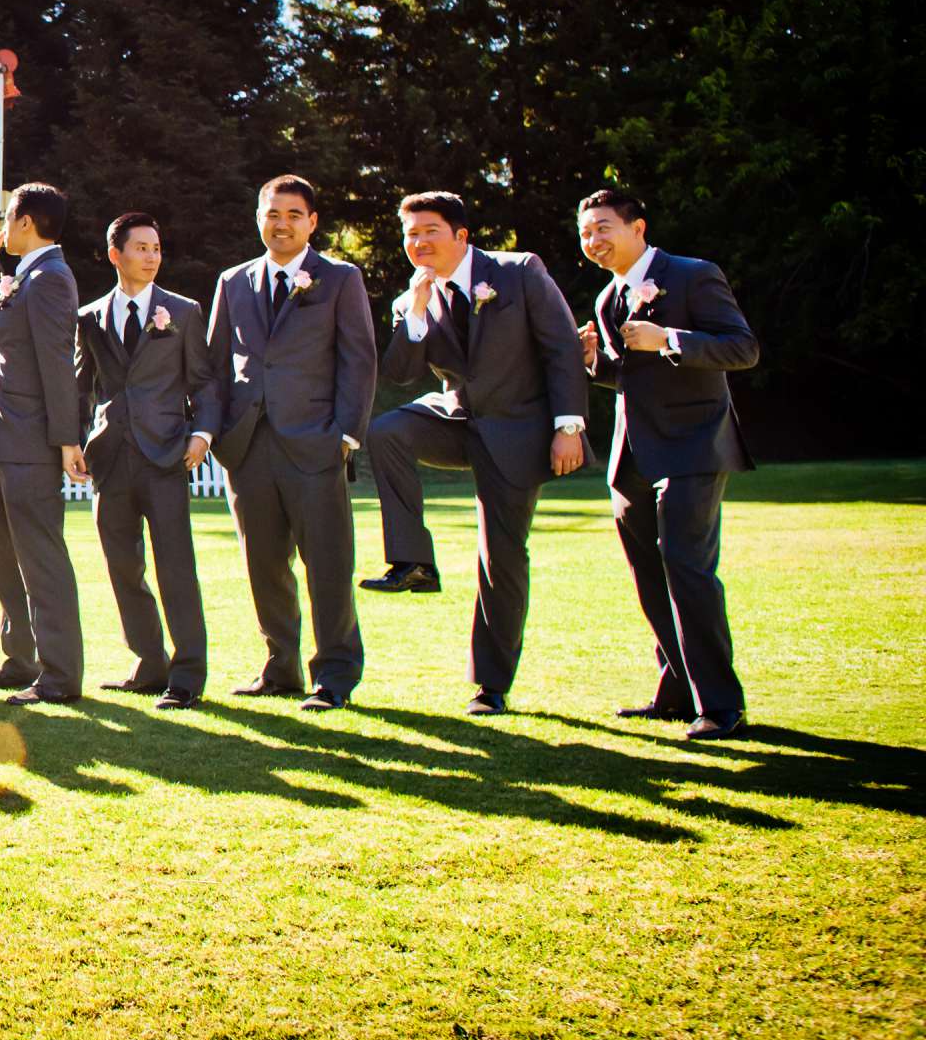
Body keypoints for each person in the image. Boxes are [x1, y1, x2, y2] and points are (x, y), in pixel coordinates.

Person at [363, 192, 587, 715]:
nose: (418, 242)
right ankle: (413, 562)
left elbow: (560, 347)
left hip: (519, 428)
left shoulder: (519, 271)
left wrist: (568, 426)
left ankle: (491, 684)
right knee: (388, 431)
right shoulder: (411, 299)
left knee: (500, 556)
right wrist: (414, 312)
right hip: (459, 420)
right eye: (410, 234)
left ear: (461, 236)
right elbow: (397, 373)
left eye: (430, 231)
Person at [577, 187, 759, 740]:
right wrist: (593, 363)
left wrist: (670, 338)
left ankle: (722, 705)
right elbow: (628, 375)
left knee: (687, 569)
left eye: (603, 227)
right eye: (586, 233)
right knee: (649, 576)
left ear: (638, 227)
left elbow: (742, 348)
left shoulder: (693, 274)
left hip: (695, 445)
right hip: (632, 457)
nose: (593, 241)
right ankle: (677, 694)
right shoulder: (608, 301)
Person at [205, 175, 377, 711]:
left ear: (312, 222)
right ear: (259, 217)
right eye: (272, 214)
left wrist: (345, 435)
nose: (282, 224)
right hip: (248, 447)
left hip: (315, 444)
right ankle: (280, 668)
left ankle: (335, 675)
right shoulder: (233, 281)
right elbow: (213, 366)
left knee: (327, 563)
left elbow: (359, 359)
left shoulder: (340, 278)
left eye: (293, 215)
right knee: (264, 564)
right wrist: (215, 434)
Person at [70, 212, 221, 709]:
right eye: (142, 248)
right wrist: (72, 440)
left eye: (157, 248)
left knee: (176, 567)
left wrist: (201, 434)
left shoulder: (183, 311)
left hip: (166, 456)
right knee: (122, 567)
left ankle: (187, 676)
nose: (152, 256)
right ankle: (148, 664)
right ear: (116, 254)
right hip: (110, 458)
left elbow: (203, 382)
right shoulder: (89, 316)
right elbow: (81, 385)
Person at [0, 182, 86, 705]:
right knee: (6, 558)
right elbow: (8, 323)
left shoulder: (52, 279)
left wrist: (65, 440)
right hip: (5, 438)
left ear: (27, 222)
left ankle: (59, 676)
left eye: (7, 219)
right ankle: (21, 659)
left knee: (41, 559)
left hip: (32, 442)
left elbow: (60, 365)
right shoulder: (30, 276)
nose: (1, 227)